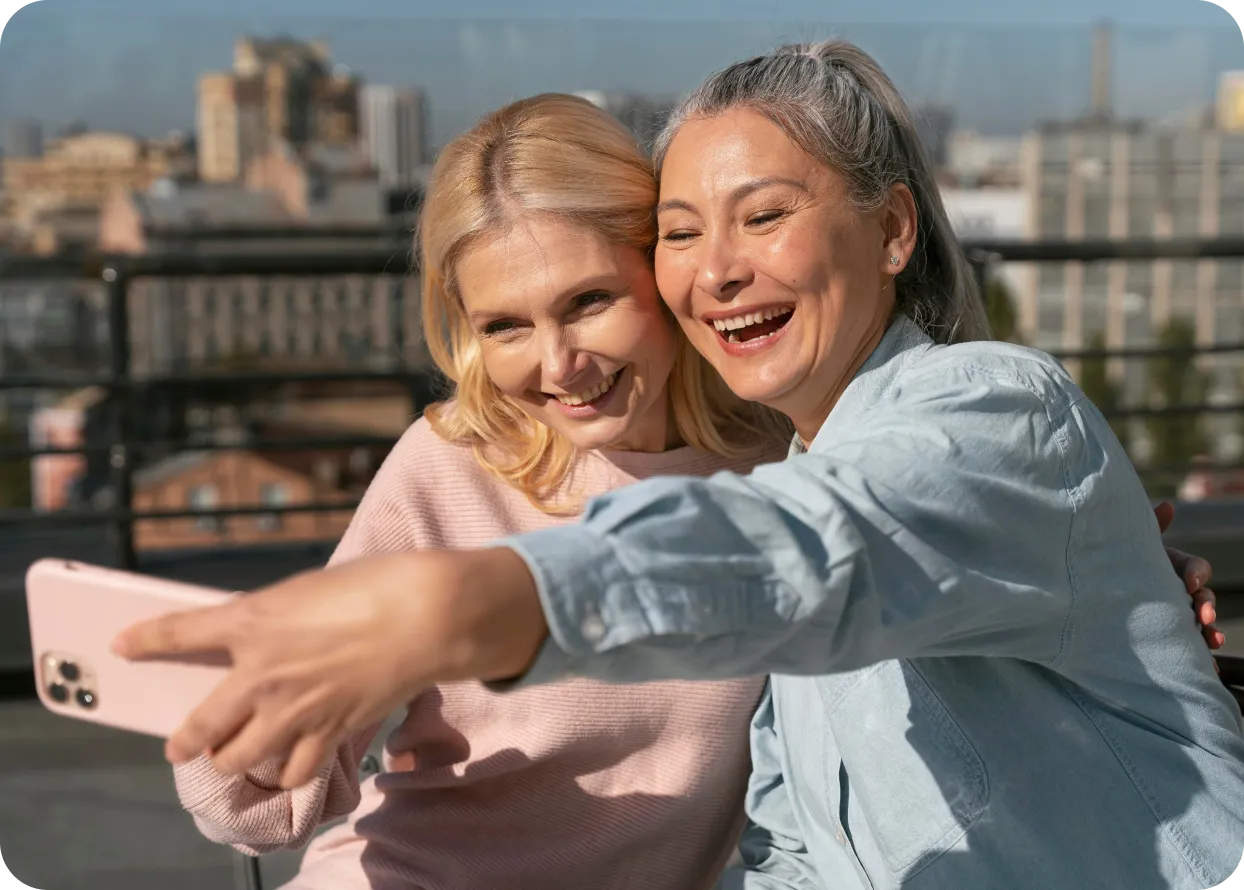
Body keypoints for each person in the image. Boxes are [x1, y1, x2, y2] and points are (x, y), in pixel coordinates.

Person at [114, 43, 1239, 889]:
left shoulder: (897, 436)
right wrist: (252, 733)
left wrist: (464, 603)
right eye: (688, 231)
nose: (720, 270)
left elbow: (817, 545)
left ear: (891, 231)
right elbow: (792, 815)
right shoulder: (757, 457)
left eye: (762, 217)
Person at [168, 94, 789, 890]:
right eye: (506, 327)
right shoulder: (449, 465)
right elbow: (258, 818)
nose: (559, 364)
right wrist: (252, 734)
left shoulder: (780, 468)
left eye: (589, 302)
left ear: (665, 268)